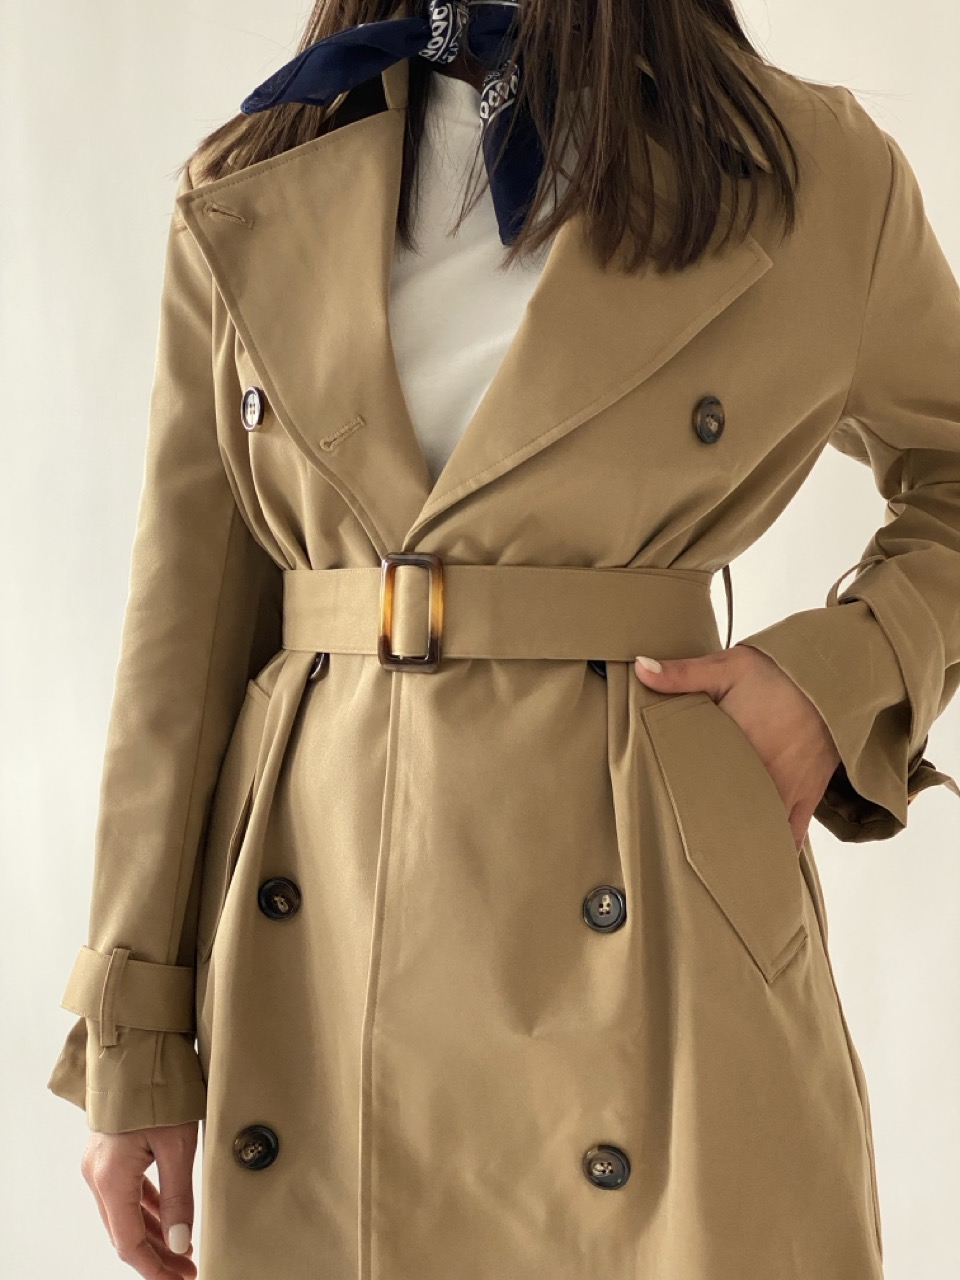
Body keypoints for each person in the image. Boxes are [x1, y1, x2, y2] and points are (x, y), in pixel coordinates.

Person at [47, 2, 960, 1278]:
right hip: (323, 952)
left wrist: (836, 677)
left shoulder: (801, 168)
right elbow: (180, 641)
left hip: (662, 958)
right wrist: (134, 1031)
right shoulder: (257, 175)